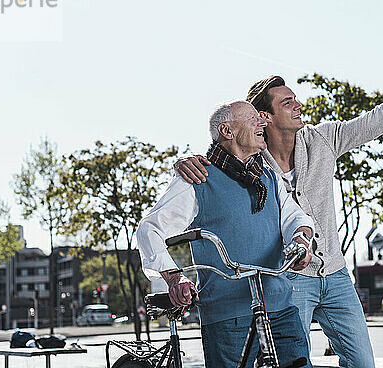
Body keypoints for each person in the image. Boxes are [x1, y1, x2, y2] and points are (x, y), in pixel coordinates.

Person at [175, 45, 383, 367]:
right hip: (290, 279)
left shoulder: (323, 139)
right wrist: (184, 161)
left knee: (363, 362)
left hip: (336, 275)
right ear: (264, 116)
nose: (299, 105)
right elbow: (220, 153)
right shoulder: (250, 158)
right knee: (292, 362)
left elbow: (376, 121)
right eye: (288, 102)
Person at [136, 100, 317, 368]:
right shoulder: (198, 178)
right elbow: (149, 229)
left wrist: (301, 238)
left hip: (279, 307)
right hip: (226, 313)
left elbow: (293, 216)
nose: (263, 123)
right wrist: (175, 278)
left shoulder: (267, 176)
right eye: (253, 119)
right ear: (227, 131)